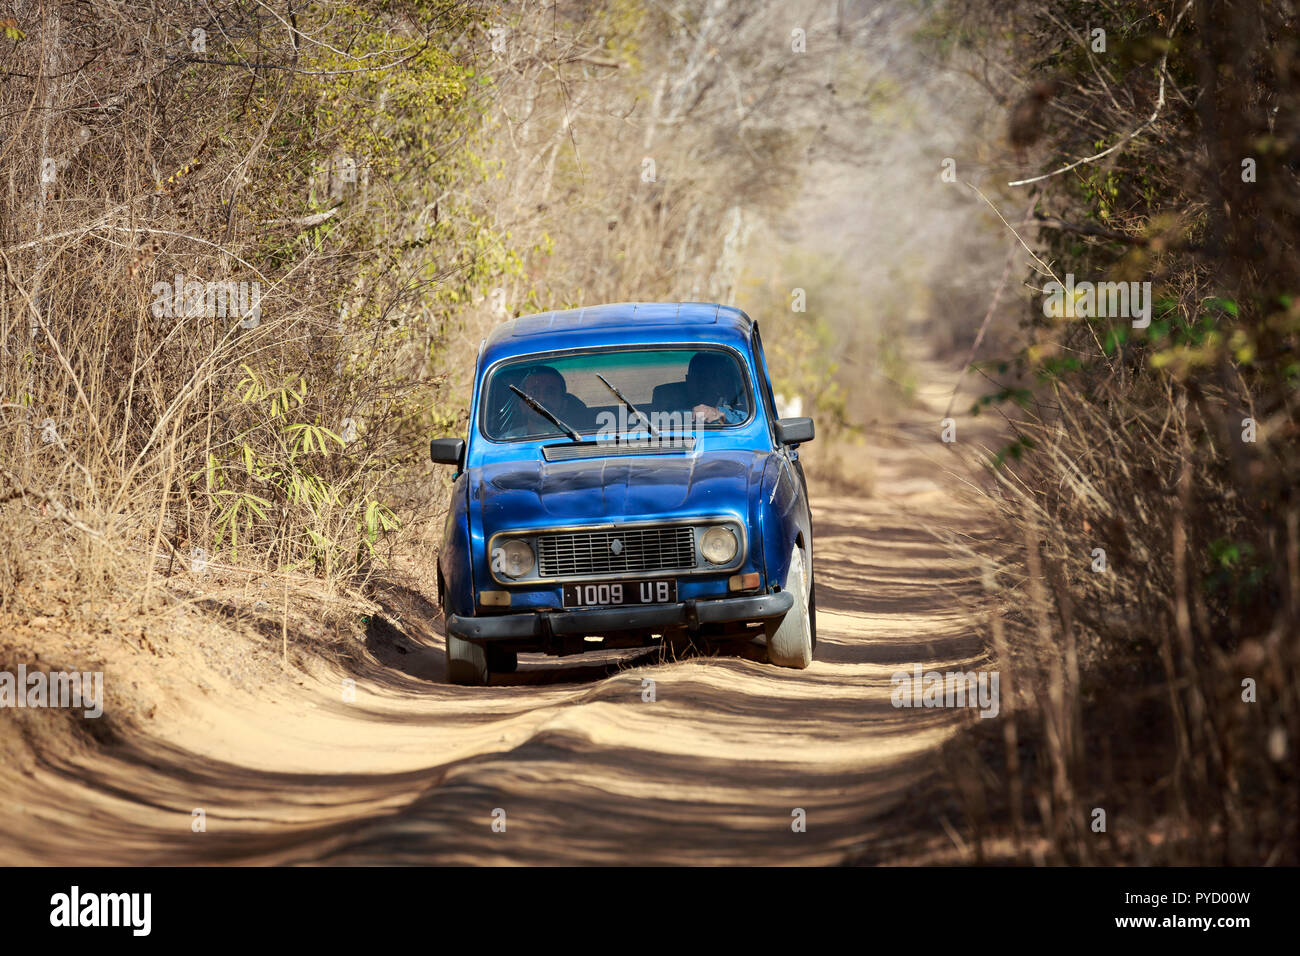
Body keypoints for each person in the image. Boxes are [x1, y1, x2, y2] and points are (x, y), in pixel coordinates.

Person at [685, 351, 746, 425]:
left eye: (707, 378)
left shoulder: (736, 401)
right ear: (688, 380)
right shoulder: (673, 401)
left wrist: (718, 413)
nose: (702, 385)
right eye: (697, 378)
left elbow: (748, 421)